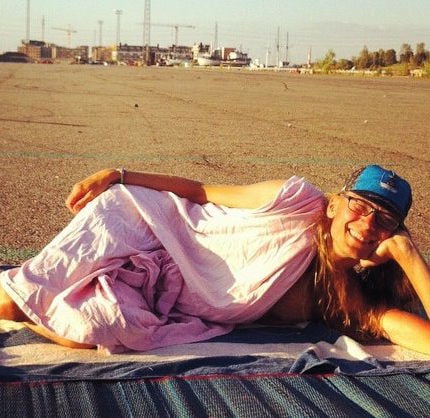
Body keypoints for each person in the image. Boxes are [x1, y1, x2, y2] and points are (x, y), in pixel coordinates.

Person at [0, 165, 429, 354]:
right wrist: (120, 175)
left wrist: (408, 255)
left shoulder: (344, 297)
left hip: (158, 287)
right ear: (336, 204)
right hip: (150, 223)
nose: (367, 223)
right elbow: (201, 192)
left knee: (87, 332)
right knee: (15, 300)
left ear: (393, 234)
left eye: (385, 219)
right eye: (360, 205)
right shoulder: (295, 199)